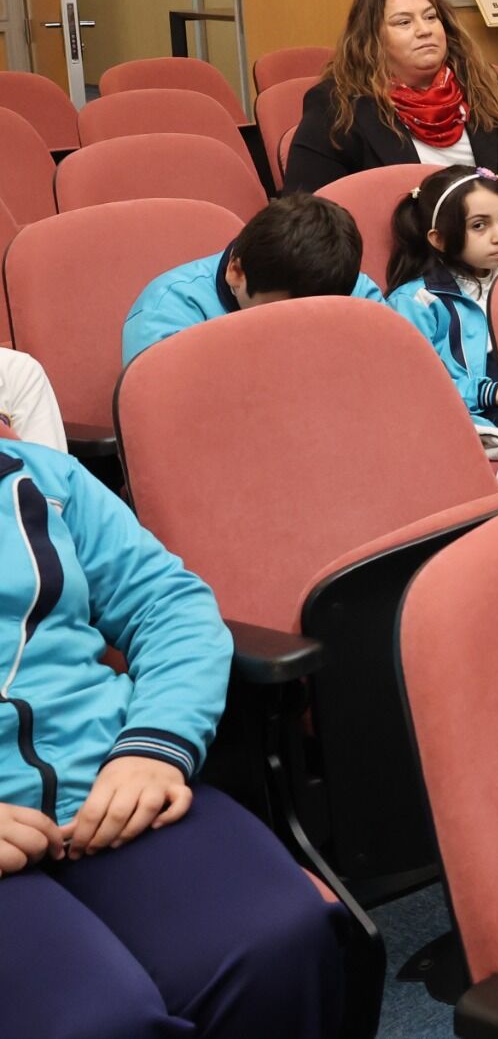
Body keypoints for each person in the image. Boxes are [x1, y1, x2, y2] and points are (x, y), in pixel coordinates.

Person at [0, 439, 345, 1037]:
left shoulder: (39, 476)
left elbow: (167, 605)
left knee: (279, 942)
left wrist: (153, 746)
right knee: (97, 1021)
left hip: (104, 777)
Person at [282, 0, 498, 244]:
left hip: (497, 243)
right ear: (372, 39)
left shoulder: (479, 82)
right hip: (401, 252)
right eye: (404, 22)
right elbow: (310, 204)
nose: (424, 30)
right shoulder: (336, 105)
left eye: (431, 17)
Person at [122, 193, 381, 365]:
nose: (296, 332)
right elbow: (166, 416)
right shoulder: (164, 314)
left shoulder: (351, 288)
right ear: (235, 272)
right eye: (280, 315)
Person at [385, 165, 498, 462]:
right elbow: (419, 387)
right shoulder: (415, 302)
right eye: (479, 226)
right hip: (478, 410)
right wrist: (495, 393)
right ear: (439, 239)